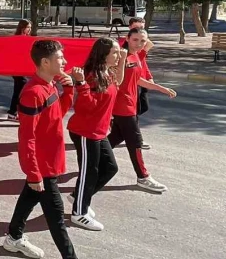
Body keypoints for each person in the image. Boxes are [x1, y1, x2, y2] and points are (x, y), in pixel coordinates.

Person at [2, 39, 107, 259]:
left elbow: (58, 114)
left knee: (28, 198)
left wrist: (69, 89)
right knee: (57, 218)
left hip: (50, 161)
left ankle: (13, 237)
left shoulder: (49, 85)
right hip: (42, 166)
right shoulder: (32, 93)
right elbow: (26, 137)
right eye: (61, 58)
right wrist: (33, 173)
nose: (65, 62)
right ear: (45, 62)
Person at [66, 38, 126, 232]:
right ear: (103, 54)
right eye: (115, 52)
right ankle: (79, 213)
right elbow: (85, 107)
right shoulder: (91, 75)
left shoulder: (108, 73)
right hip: (85, 131)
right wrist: (81, 84)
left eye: (118, 52)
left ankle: (78, 196)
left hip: (99, 131)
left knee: (110, 168)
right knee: (89, 172)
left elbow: (107, 100)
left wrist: (108, 122)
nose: (118, 55)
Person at [109, 28, 176, 193]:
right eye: (135, 40)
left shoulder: (137, 56)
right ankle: (143, 176)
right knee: (135, 142)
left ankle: (92, 159)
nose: (139, 44)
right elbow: (115, 78)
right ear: (127, 38)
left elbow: (137, 79)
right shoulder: (120, 56)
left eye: (143, 41)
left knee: (114, 138)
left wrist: (160, 88)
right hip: (121, 106)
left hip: (131, 104)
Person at [123, 17, 155, 148]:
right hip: (130, 83)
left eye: (142, 27)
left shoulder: (142, 42)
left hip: (140, 79)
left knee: (142, 107)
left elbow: (142, 63)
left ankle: (121, 127)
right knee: (133, 112)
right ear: (130, 28)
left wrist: (149, 76)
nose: (140, 30)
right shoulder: (126, 46)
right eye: (136, 27)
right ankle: (136, 139)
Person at [7, 19, 33, 121]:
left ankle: (13, 112)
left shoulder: (28, 38)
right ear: (22, 28)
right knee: (19, 89)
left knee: (19, 90)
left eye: (30, 28)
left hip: (23, 68)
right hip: (16, 68)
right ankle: (13, 112)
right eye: (28, 27)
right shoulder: (16, 38)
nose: (29, 29)